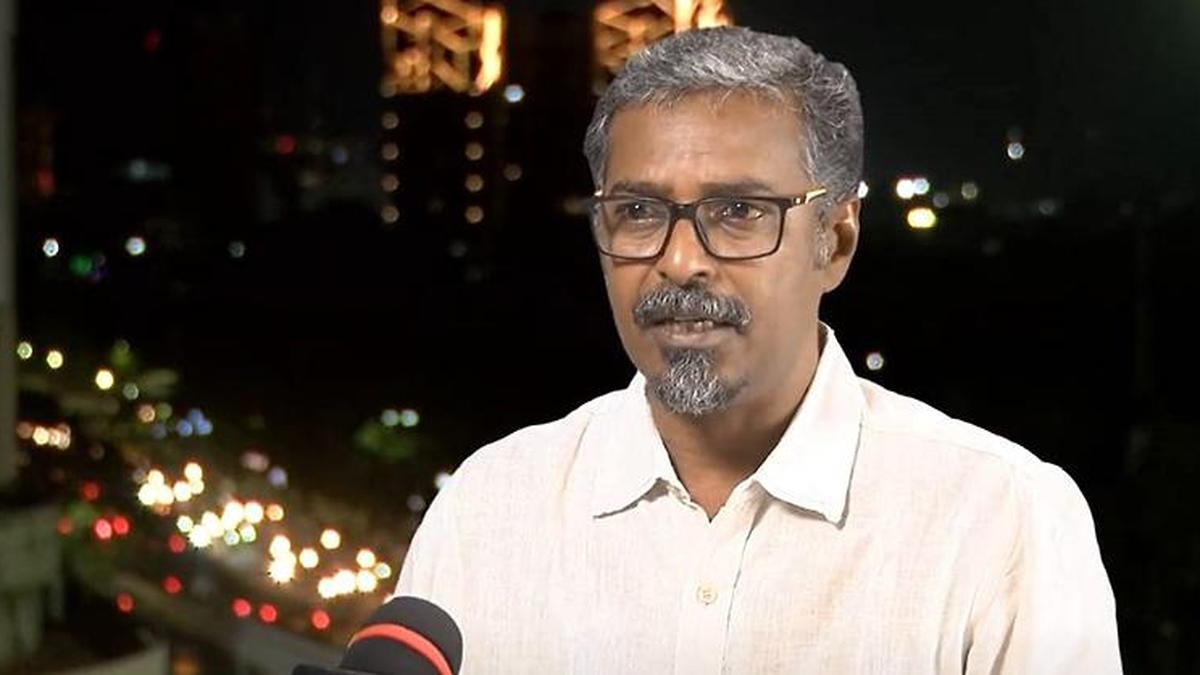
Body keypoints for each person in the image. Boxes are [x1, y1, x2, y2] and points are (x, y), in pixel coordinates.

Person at [394, 26, 1121, 674]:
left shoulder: (1000, 520)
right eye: (639, 212)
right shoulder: (488, 512)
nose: (680, 260)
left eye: (738, 211)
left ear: (835, 240)